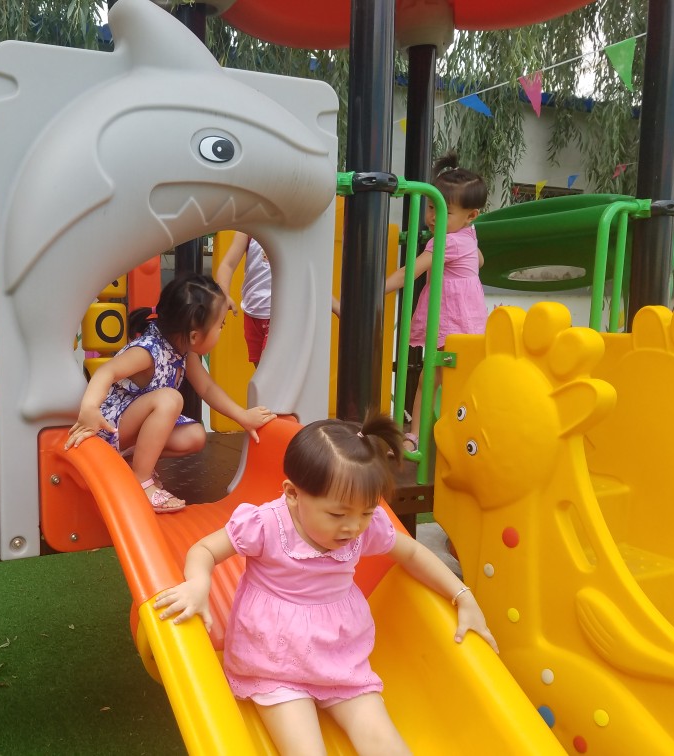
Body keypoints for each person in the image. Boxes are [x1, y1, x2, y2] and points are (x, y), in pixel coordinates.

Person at [155, 416, 498, 755]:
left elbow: (411, 552)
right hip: (274, 660)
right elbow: (205, 550)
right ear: (293, 494)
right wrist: (198, 584)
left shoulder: (363, 527)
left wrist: (463, 596)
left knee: (385, 744)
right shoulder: (266, 525)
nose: (353, 527)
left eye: (366, 512)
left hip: (339, 655)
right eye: (337, 515)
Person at [66, 273, 277, 513]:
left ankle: (132, 462)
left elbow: (207, 388)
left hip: (129, 430)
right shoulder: (148, 351)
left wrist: (242, 416)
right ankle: (141, 480)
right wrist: (89, 409)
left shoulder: (183, 350)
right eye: (220, 326)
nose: (221, 330)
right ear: (195, 335)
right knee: (170, 399)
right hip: (107, 428)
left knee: (195, 436)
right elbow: (107, 371)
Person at [384, 152, 488, 452]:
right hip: (468, 320)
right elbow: (480, 260)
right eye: (431, 207)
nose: (432, 217)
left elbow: (410, 273)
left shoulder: (447, 240)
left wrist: (375, 289)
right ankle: (451, 437)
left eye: (444, 211)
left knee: (429, 381)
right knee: (444, 382)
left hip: (452, 320)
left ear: (471, 215)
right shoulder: (467, 234)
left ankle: (415, 438)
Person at [216, 232, 343, 366]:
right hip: (252, 313)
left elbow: (309, 276)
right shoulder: (249, 228)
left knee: (269, 370)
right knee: (261, 370)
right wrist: (224, 295)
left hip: (281, 315)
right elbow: (228, 265)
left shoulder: (293, 230)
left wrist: (336, 307)